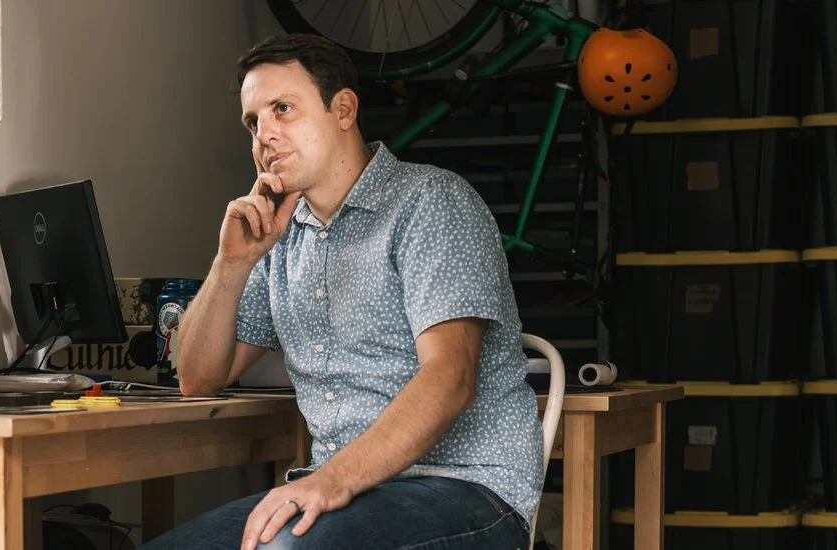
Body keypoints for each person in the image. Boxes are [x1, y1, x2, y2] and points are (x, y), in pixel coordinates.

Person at [141, 33, 543, 550]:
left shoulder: (430, 202)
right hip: (344, 493)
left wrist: (329, 481)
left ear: (344, 110)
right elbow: (198, 379)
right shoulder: (281, 235)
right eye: (252, 121)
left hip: (467, 488)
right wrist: (231, 263)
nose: (264, 135)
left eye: (282, 109)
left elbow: (450, 379)